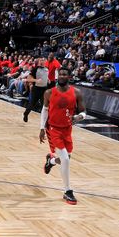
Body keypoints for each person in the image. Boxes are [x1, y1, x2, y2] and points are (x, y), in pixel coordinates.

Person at [39, 68, 85, 205]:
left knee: (65, 158)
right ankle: (68, 191)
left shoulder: (76, 92)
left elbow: (83, 111)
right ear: (58, 76)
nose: (63, 76)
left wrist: (79, 117)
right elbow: (44, 110)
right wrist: (42, 128)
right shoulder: (49, 92)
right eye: (61, 74)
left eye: (65, 74)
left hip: (67, 130)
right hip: (53, 129)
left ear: (69, 76)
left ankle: (51, 161)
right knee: (65, 159)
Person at [23, 58, 49, 123]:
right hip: (36, 89)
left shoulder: (46, 69)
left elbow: (44, 76)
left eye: (43, 60)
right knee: (32, 104)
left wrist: (47, 79)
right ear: (38, 62)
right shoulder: (35, 69)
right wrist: (36, 80)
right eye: (41, 60)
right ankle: (26, 114)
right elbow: (28, 79)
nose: (42, 61)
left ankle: (45, 121)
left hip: (44, 89)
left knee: (44, 105)